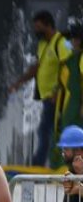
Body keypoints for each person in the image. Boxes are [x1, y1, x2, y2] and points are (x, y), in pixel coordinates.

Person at [11, 10, 72, 167]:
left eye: (39, 27)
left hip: (59, 98)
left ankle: (44, 163)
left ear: (48, 25)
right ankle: (47, 162)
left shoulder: (61, 43)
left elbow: (68, 69)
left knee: (47, 131)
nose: (35, 30)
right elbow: (37, 67)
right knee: (47, 131)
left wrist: (58, 91)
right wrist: (19, 82)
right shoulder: (43, 44)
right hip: (47, 98)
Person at [52, 22, 83, 167]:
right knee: (65, 133)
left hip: (75, 105)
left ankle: (71, 168)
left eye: (72, 38)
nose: (70, 42)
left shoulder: (81, 59)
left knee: (72, 136)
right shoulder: (71, 59)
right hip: (68, 103)